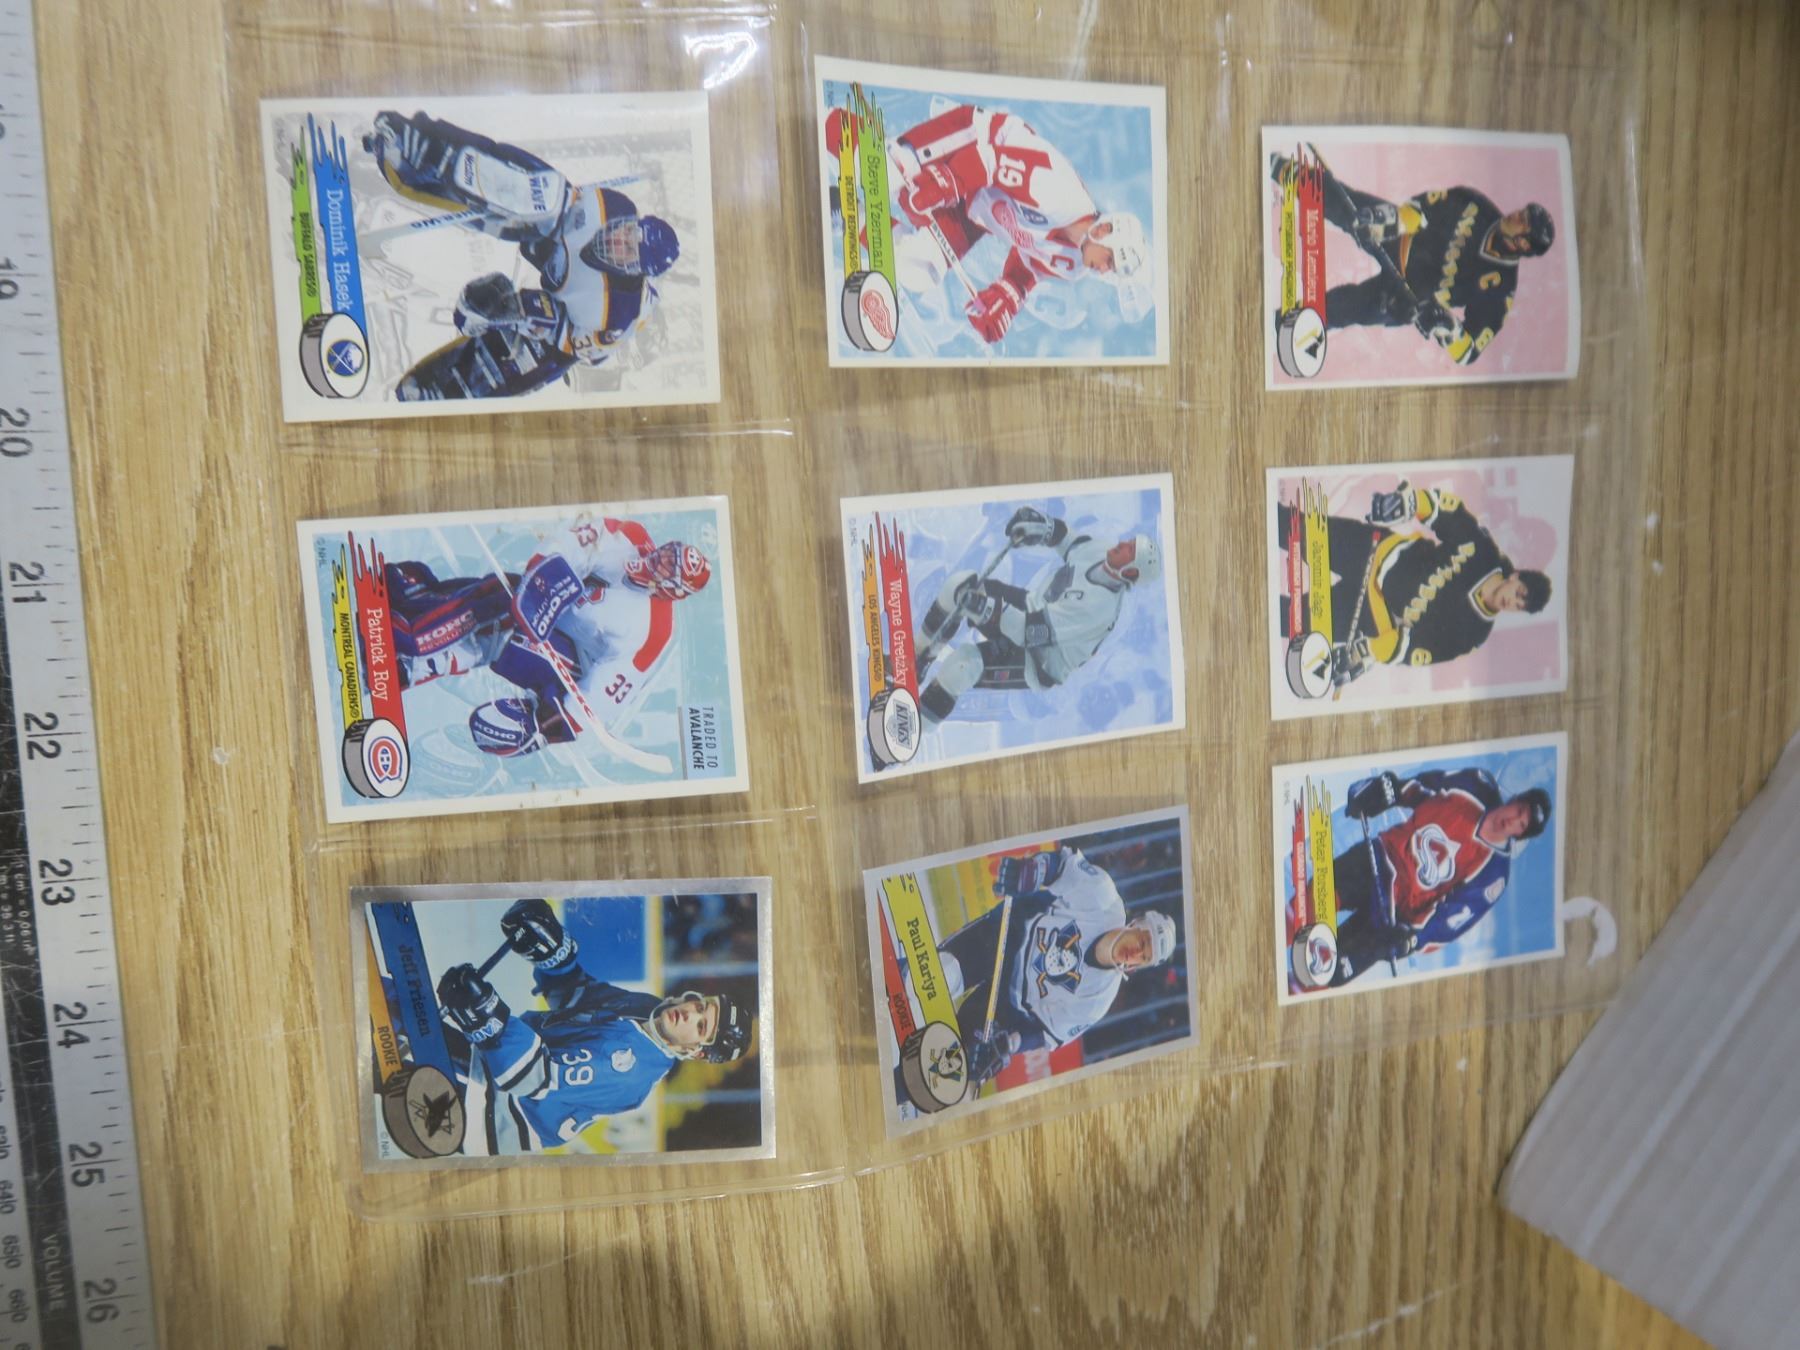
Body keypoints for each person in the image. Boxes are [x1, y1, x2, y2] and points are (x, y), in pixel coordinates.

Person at [363, 110, 681, 399]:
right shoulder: (613, 207)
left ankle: (444, 391)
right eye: (629, 231)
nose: (620, 238)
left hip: (569, 320)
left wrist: (515, 311)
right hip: (554, 249)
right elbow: (553, 196)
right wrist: (516, 192)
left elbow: (570, 341)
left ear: (632, 271)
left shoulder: (614, 314)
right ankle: (422, 148)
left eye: (629, 249)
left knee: (532, 344)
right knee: (543, 194)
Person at [378, 515, 710, 759]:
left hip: (570, 664)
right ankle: (419, 603)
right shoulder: (632, 536)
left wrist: (552, 725)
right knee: (497, 589)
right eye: (666, 553)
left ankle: (412, 655)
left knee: (502, 628)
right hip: (547, 614)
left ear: (672, 590)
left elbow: (607, 692)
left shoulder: (654, 633)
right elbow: (575, 540)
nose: (656, 561)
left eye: (666, 569)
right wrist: (544, 576)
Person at [435, 899, 749, 1154]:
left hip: (492, 1112)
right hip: (491, 1072)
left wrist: (489, 1016)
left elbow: (531, 1077)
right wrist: (555, 955)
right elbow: (576, 995)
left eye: (701, 1026)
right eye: (701, 1006)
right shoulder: (647, 1010)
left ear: (696, 1052)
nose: (690, 1014)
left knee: (409, 1042)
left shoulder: (630, 1070)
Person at [827, 103, 1152, 344]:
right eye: (1110, 260)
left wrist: (1008, 295)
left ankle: (848, 212)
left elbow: (1029, 266)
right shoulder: (1059, 194)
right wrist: (947, 183)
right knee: (885, 171)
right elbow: (988, 159)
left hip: (981, 205)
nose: (1104, 271)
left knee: (920, 270)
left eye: (1113, 272)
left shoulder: (1074, 266)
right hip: (973, 143)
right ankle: (825, 120)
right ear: (1104, 230)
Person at [1270, 151, 1555, 365]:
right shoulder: (1475, 204)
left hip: (1408, 296)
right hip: (1403, 240)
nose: (1516, 215)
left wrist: (1448, 328)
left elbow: (1469, 351)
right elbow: (1421, 209)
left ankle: (1278, 325)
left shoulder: (1502, 288)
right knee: (1340, 200)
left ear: (1522, 244)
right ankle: (1276, 167)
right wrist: (1385, 222)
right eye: (1522, 212)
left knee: (1342, 308)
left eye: (1523, 222)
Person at [926, 844, 1177, 1085]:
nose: (1136, 952)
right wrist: (1033, 870)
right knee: (942, 974)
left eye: (1143, 957)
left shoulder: (1099, 998)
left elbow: (1045, 1032)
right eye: (1142, 941)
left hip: (1008, 1005)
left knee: (949, 1061)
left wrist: (1006, 1046)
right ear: (1136, 924)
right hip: (1005, 935)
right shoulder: (1103, 897)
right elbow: (1062, 866)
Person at [915, 506, 1160, 726]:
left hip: (1039, 660)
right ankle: (919, 656)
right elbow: (1069, 541)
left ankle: (919, 723)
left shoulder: (1099, 609)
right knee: (958, 586)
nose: (1123, 544)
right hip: (1030, 608)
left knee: (964, 664)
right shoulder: (1101, 552)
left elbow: (1030, 632)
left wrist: (984, 608)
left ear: (1130, 572)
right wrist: (1042, 526)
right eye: (1129, 541)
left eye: (1130, 550)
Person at [1276, 481, 1551, 677]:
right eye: (1519, 593)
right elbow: (1449, 514)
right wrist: (1409, 503)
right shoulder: (1484, 552)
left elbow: (1415, 646)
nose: (1512, 602)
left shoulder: (1475, 634)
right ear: (1516, 576)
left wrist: (1367, 652)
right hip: (1375, 552)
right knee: (1289, 528)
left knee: (1288, 619)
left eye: (1519, 606)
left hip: (1370, 614)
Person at [1324, 767, 1551, 987]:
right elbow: (1422, 787)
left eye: (1521, 825)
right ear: (1514, 800)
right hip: (1382, 857)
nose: (1512, 820)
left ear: (1519, 835)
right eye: (1519, 811)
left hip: (1396, 916)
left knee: (1324, 970)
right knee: (1315, 900)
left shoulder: (1495, 874)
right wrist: (1389, 791)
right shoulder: (1477, 785)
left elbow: (1450, 921)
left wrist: (1413, 939)